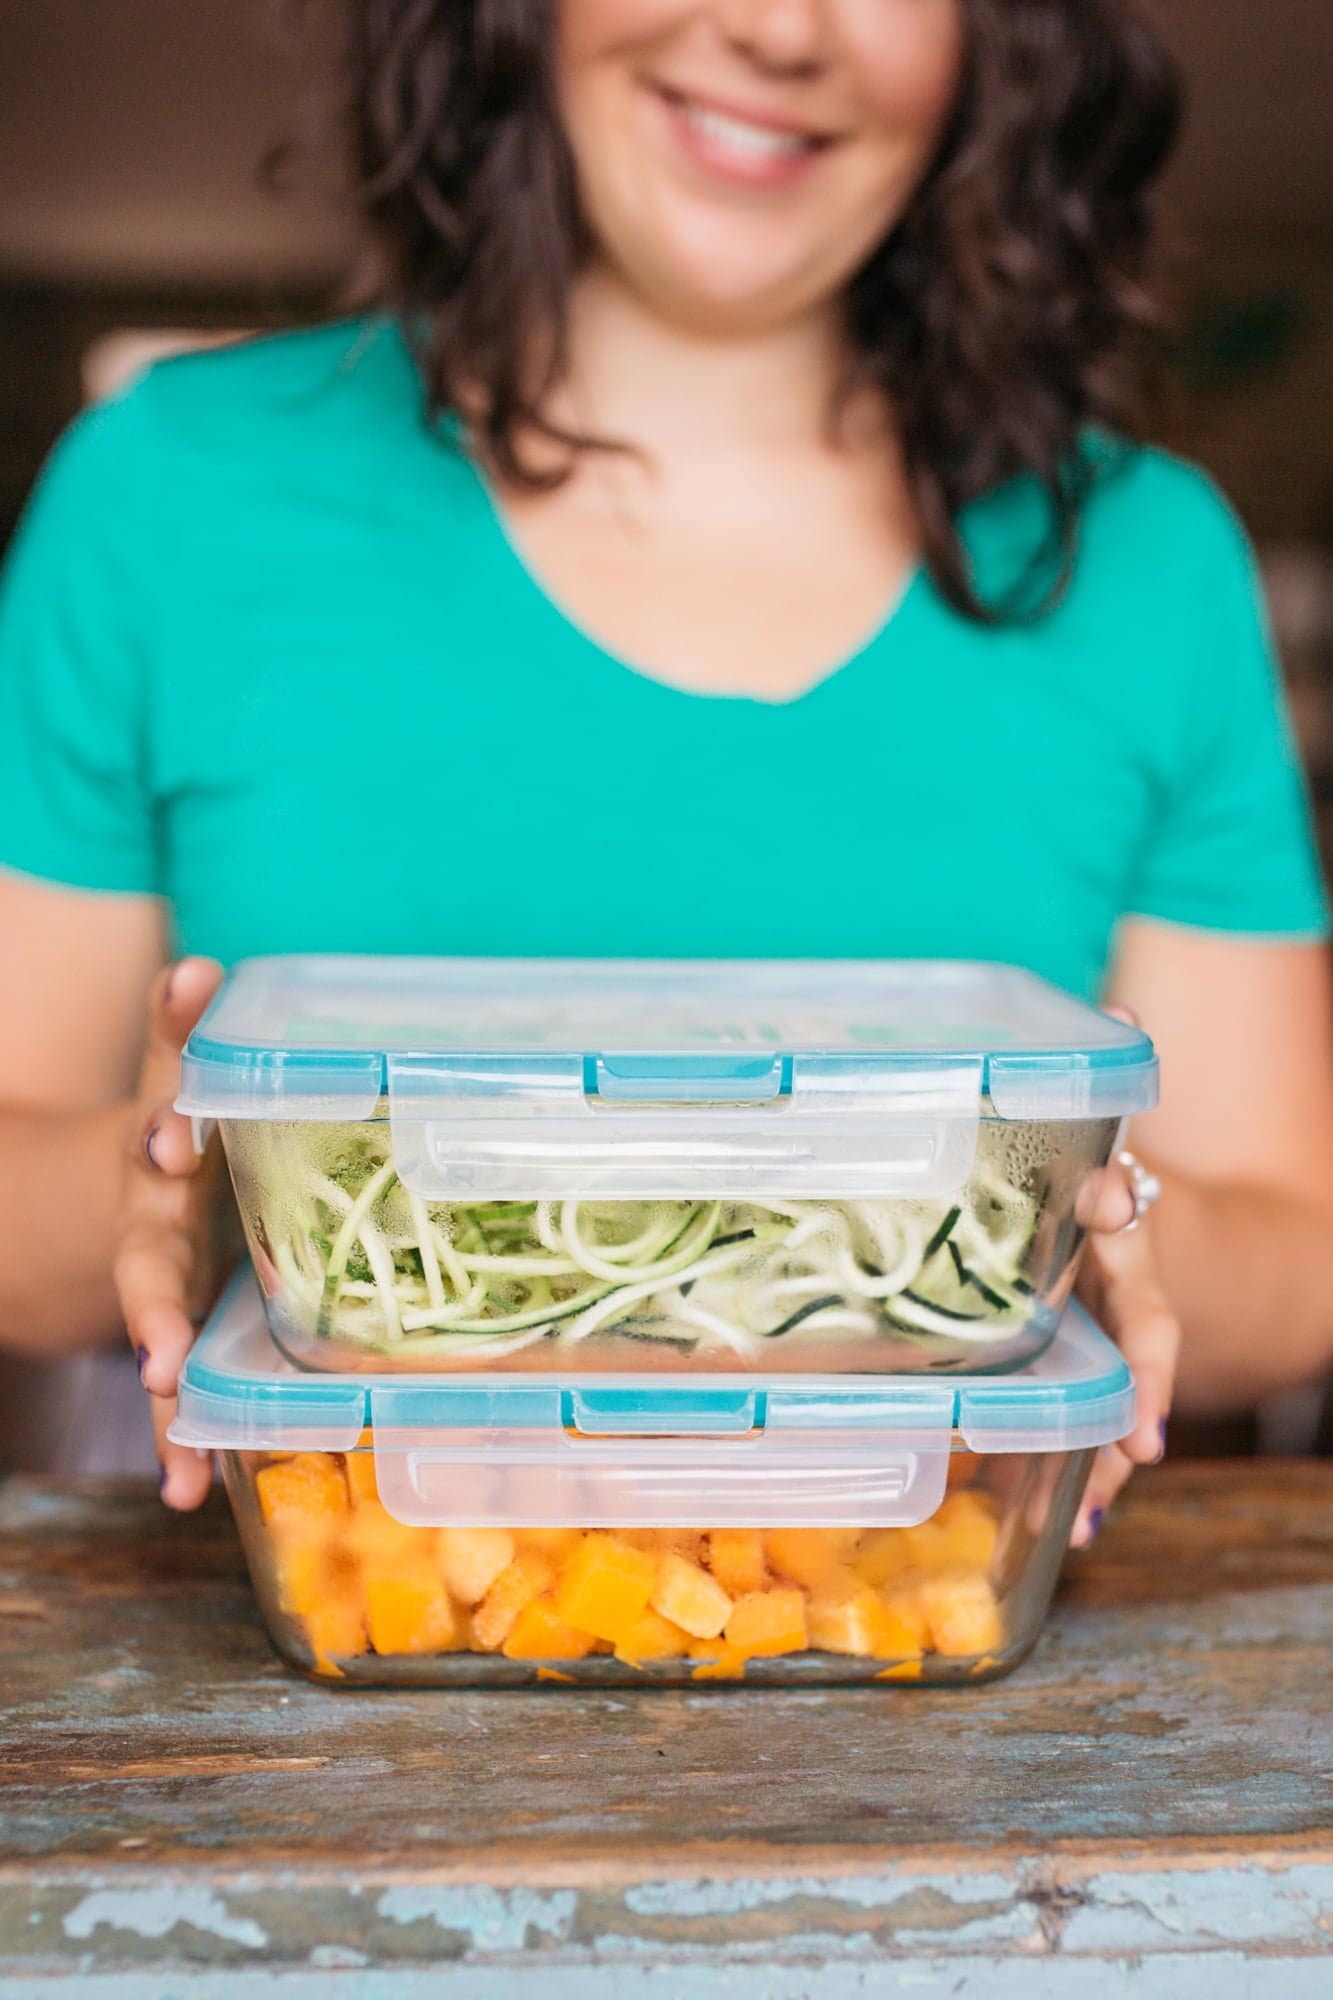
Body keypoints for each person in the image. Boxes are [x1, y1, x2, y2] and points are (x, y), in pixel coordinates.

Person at [1, 1, 1330, 1528]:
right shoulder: (166, 491)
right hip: (313, 1614)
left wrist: (1072, 1226)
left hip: (932, 1632)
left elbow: (1298, 1259)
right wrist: (185, 1174)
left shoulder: (1143, 559)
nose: (776, 26)